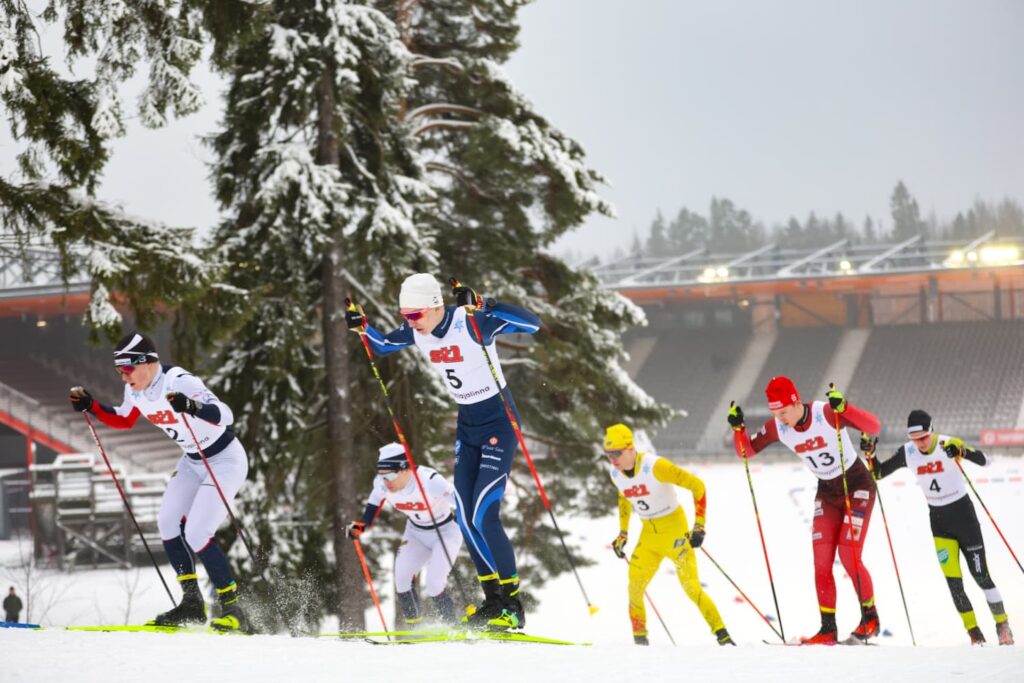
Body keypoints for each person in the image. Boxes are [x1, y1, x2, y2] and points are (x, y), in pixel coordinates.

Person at [347, 273, 540, 630]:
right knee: (465, 518)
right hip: (468, 426)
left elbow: (532, 324)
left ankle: (513, 605)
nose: (411, 322)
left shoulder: (471, 321)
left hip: (499, 422)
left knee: (484, 513)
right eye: (405, 316)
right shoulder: (419, 332)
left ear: (436, 305)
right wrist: (363, 328)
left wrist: (485, 303)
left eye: (415, 314)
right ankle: (494, 602)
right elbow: (384, 345)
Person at [69, 332, 250, 632]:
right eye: (119, 371)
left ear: (147, 362)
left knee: (197, 532)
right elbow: (124, 419)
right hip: (192, 461)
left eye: (127, 369)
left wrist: (193, 406)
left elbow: (226, 415)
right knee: (167, 523)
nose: (123, 376)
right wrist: (92, 406)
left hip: (225, 460)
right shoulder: (135, 390)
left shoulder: (179, 381)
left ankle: (233, 608)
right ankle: (192, 604)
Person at [728, 377, 881, 644]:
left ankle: (870, 618)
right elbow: (746, 451)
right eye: (775, 413)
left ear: (796, 402)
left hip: (856, 485)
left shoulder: (825, 413)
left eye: (784, 412)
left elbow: (873, 426)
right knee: (821, 561)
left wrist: (845, 408)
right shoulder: (778, 427)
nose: (780, 419)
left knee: (848, 555)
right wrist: (738, 429)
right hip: (828, 492)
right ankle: (828, 629)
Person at [867, 409, 1014, 646]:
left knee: (981, 577)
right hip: (939, 523)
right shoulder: (908, 452)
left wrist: (962, 452)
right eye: (915, 439)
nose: (920, 443)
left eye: (924, 437)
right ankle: (974, 633)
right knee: (954, 583)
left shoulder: (948, 443)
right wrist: (871, 455)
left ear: (932, 430)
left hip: (965, 519)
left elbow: (986, 461)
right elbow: (879, 473)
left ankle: (1002, 625)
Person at [603, 424, 734, 646]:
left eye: (617, 453)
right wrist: (623, 533)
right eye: (608, 454)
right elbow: (624, 496)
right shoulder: (615, 473)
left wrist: (699, 526)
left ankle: (723, 636)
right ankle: (640, 641)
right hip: (649, 535)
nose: (613, 459)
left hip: (675, 532)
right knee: (634, 587)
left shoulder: (655, 466)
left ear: (630, 448)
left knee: (691, 588)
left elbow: (697, 485)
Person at [346, 443, 463, 625]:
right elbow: (375, 501)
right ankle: (415, 628)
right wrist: (361, 525)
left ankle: (453, 627)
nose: (386, 482)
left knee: (434, 584)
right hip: (415, 533)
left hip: (445, 532)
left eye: (390, 476)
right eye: (382, 476)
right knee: (401, 580)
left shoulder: (429, 480)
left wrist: (472, 523)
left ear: (405, 469)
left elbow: (462, 502)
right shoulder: (382, 484)